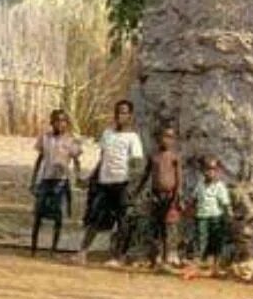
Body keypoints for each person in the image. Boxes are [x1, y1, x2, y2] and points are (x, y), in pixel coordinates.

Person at [78, 99, 145, 266]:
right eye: (118, 112)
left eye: (124, 112)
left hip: (121, 183)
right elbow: (102, 159)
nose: (120, 116)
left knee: (122, 221)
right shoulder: (107, 134)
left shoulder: (133, 138)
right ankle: (82, 252)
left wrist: (132, 184)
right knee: (95, 218)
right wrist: (91, 177)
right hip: (104, 182)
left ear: (130, 115)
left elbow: (136, 163)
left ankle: (118, 257)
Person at [29, 108, 82, 256]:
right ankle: (33, 248)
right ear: (52, 122)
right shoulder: (45, 138)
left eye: (64, 121)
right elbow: (39, 159)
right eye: (57, 121)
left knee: (57, 215)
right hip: (46, 179)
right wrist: (33, 180)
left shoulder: (71, 140)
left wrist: (78, 177)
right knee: (38, 214)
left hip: (61, 181)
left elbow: (76, 160)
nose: (61, 124)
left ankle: (53, 249)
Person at [138, 125, 184, 268]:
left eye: (170, 137)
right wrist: (138, 190)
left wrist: (177, 197)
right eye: (164, 136)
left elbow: (179, 178)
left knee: (168, 227)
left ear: (174, 140)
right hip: (156, 196)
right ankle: (154, 257)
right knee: (155, 226)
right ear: (159, 138)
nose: (167, 140)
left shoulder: (175, 157)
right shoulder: (154, 156)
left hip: (170, 196)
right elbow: (146, 175)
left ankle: (166, 257)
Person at [191, 156, 232, 275]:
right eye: (207, 169)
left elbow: (225, 204)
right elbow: (194, 199)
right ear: (203, 171)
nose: (210, 172)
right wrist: (189, 211)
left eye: (213, 169)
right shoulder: (199, 185)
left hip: (216, 218)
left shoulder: (220, 186)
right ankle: (196, 266)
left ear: (217, 171)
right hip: (202, 217)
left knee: (216, 241)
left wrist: (229, 216)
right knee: (200, 240)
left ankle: (215, 267)